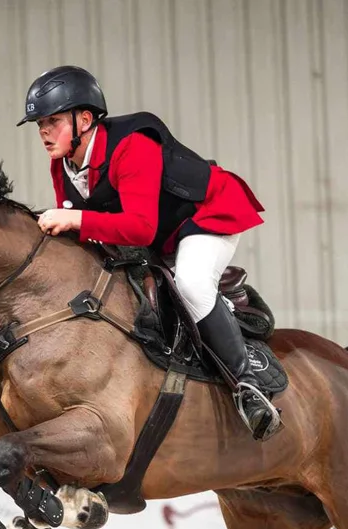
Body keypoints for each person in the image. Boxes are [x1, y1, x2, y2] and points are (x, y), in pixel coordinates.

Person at [17, 65, 282, 441]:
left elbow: (139, 227)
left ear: (85, 119)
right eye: (39, 123)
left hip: (206, 214)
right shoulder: (63, 164)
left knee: (190, 282)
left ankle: (248, 385)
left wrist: (74, 217)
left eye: (53, 120)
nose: (43, 131)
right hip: (160, 235)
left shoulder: (132, 146)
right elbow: (91, 229)